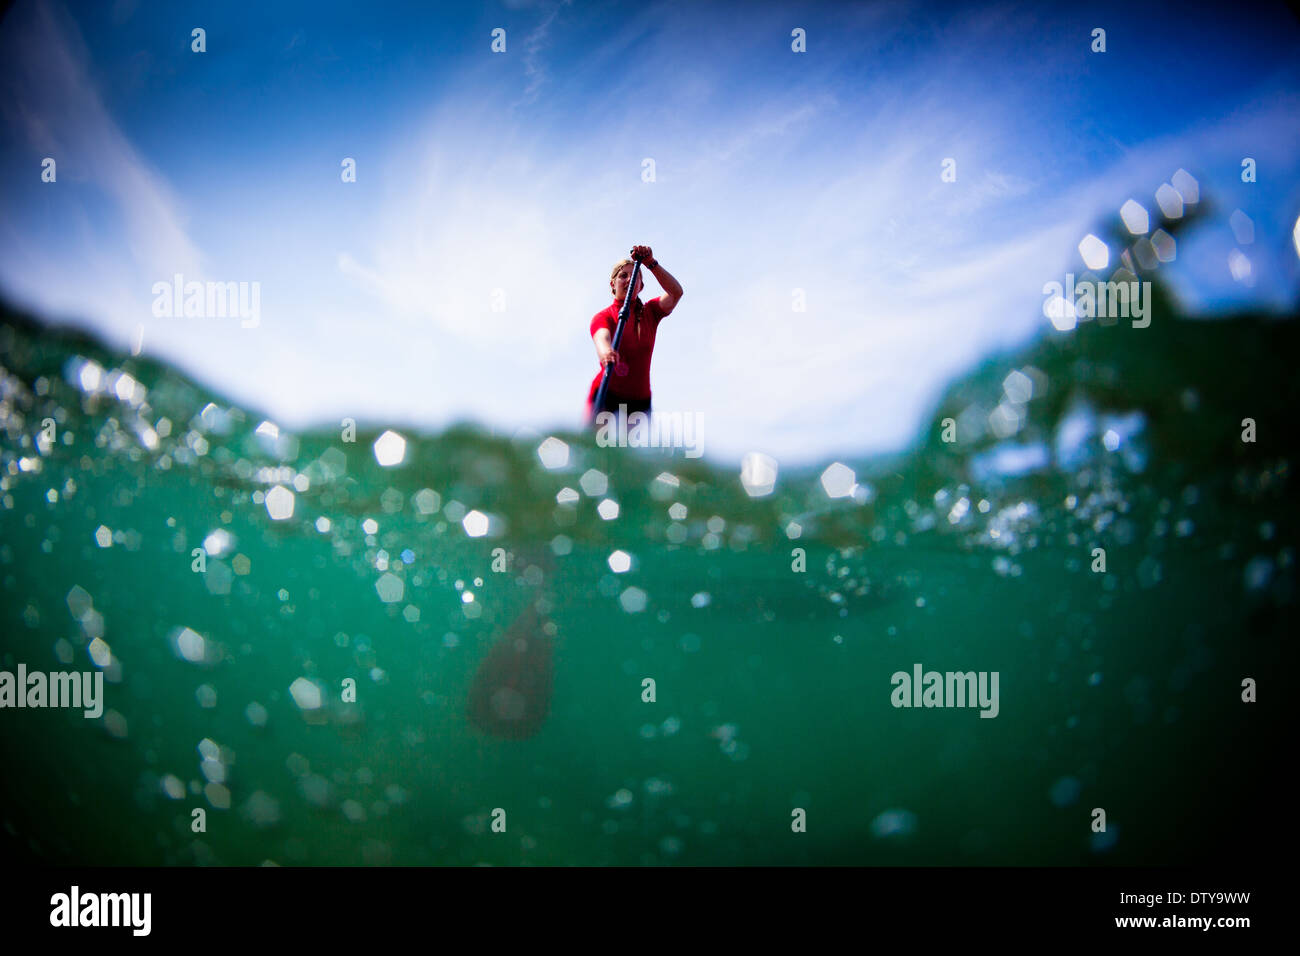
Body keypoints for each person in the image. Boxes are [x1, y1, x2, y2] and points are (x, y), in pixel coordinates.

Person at [586, 245, 684, 422]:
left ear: (641, 286)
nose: (629, 279)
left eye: (635, 277)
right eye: (623, 275)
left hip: (639, 401)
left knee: (632, 450)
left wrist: (650, 263)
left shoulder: (651, 312)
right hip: (607, 394)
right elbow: (602, 337)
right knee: (597, 447)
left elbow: (676, 293)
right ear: (613, 284)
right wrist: (606, 352)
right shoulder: (603, 316)